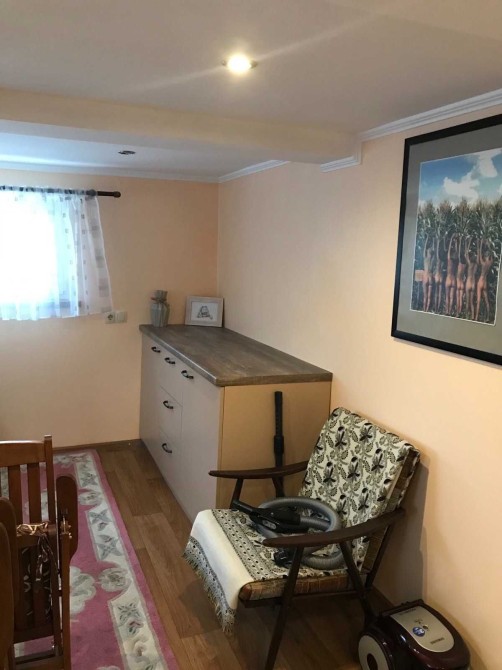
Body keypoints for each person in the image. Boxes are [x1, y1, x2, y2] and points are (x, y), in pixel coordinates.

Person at [475, 239, 494, 322]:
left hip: (480, 281)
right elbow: (491, 253)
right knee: (486, 301)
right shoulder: (490, 262)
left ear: (485, 256)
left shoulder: (483, 263)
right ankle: (488, 317)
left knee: (479, 300)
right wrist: (489, 245)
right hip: (485, 282)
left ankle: (476, 317)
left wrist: (479, 245)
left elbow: (479, 254)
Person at [465, 237, 478, 321]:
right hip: (473, 283)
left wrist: (468, 242)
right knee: (472, 302)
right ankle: (473, 316)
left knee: (467, 301)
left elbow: (466, 254)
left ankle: (467, 316)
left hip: (468, 282)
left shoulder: (469, 264)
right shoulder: (476, 265)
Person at [445, 234, 458, 316]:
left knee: (447, 296)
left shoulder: (449, 260)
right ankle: (450, 311)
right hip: (453, 279)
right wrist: (456, 242)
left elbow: (449, 250)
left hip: (448, 278)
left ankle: (447, 311)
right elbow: (456, 252)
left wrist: (451, 239)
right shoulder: (456, 261)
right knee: (452, 297)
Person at [455, 236, 467, 318]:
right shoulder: (465, 264)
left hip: (458, 282)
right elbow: (465, 253)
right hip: (462, 283)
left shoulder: (459, 262)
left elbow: (459, 252)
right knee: (461, 299)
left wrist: (459, 241)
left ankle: (457, 313)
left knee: (457, 298)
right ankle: (460, 312)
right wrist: (466, 243)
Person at [422, 235, 434, 312]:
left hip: (425, 276)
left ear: (427, 252)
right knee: (429, 296)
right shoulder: (432, 260)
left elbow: (424, 248)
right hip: (430, 276)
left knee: (425, 296)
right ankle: (427, 309)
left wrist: (427, 239)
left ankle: (424, 309)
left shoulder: (425, 258)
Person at [433, 236, 445, 313]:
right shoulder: (443, 261)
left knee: (436, 293)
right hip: (441, 276)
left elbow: (436, 252)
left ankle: (435, 308)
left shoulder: (438, 260)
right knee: (440, 293)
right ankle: (438, 308)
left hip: (437, 275)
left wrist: (437, 242)